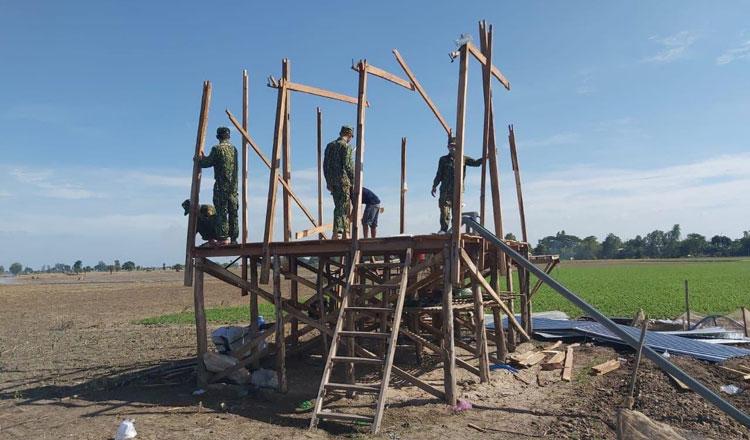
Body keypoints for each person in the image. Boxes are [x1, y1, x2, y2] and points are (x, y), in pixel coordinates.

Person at [431, 137, 482, 233]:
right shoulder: (443, 160)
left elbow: (476, 163)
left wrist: (485, 157)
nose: (452, 148)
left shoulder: (463, 159)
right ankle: (443, 229)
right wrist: (434, 186)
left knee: (456, 211)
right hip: (445, 190)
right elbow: (439, 174)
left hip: (457, 190)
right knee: (444, 210)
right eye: (450, 146)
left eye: (454, 146)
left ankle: (455, 230)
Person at [197, 127, 238, 245]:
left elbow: (206, 163)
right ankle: (234, 238)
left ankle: (223, 237)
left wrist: (199, 159)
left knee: (222, 212)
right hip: (233, 188)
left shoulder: (217, 149)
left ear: (218, 137)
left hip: (221, 187)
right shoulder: (234, 150)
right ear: (229, 136)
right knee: (233, 212)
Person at [323, 125, 355, 239]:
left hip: (332, 181)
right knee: (344, 207)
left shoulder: (330, 146)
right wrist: (354, 180)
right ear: (350, 135)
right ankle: (343, 232)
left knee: (338, 206)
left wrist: (328, 181)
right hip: (343, 181)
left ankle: (337, 233)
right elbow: (348, 165)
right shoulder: (346, 146)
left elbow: (325, 165)